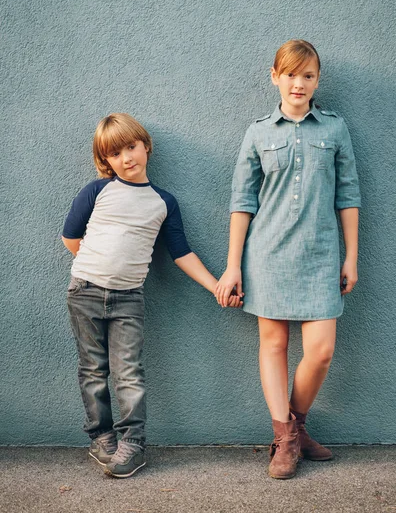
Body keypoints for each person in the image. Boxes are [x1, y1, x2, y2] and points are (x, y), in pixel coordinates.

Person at [62, 113, 241, 479]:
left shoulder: (163, 201)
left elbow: (181, 253)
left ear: (146, 147)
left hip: (129, 298)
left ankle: (133, 443)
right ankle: (101, 438)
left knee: (128, 371)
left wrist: (216, 285)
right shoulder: (97, 191)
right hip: (85, 292)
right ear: (105, 161)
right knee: (93, 369)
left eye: (131, 147)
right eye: (116, 153)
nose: (127, 158)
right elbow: (70, 238)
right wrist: (100, 266)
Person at [215, 39, 361, 479]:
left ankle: (292, 429)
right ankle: (286, 437)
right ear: (274, 76)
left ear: (318, 80)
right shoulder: (258, 132)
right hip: (267, 255)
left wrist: (351, 256)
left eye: (308, 75)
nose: (299, 83)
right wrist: (233, 263)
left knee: (321, 351)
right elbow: (242, 202)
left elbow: (348, 195)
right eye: (291, 74)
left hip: (320, 255)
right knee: (274, 345)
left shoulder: (335, 129)